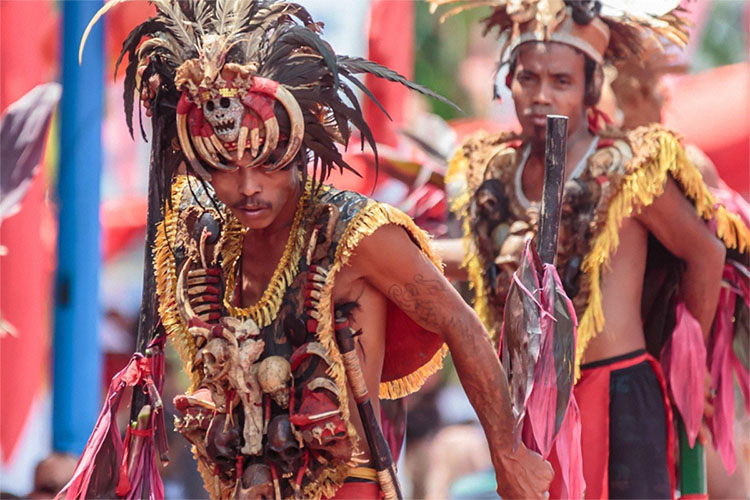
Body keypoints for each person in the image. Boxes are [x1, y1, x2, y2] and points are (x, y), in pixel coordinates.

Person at [61, 1, 552, 499]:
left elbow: (458, 321)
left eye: (266, 161)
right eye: (225, 166)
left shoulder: (354, 232)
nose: (247, 186)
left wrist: (508, 453)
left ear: (297, 146)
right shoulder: (199, 242)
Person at [431, 0, 750, 498]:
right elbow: (479, 262)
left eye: (561, 81)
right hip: (530, 413)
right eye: (528, 78)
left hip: (620, 397)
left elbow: (704, 253)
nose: (541, 95)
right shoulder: (492, 173)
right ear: (507, 81)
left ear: (590, 87)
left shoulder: (626, 166)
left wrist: (692, 356)